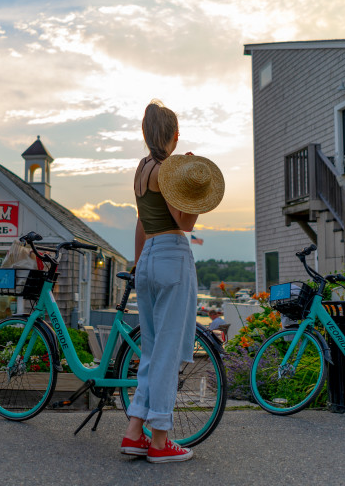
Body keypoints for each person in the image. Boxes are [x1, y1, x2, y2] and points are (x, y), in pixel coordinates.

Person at [120, 99, 224, 464]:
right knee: (167, 353)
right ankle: (161, 439)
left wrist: (136, 266)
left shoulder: (141, 168)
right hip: (172, 256)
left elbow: (140, 222)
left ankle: (135, 432)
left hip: (147, 258)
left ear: (146, 133)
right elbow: (186, 224)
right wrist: (194, 181)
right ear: (175, 135)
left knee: (152, 351)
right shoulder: (169, 169)